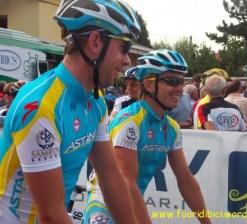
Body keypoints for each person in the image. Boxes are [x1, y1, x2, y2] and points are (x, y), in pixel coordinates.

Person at [0, 0, 141, 223]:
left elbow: (110, 175)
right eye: (124, 48)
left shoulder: (95, 100)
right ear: (95, 42)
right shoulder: (41, 107)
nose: (126, 61)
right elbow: (51, 215)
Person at [83, 49, 211, 224]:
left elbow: (185, 178)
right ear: (150, 85)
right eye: (173, 81)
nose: (180, 89)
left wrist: (206, 221)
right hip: (105, 202)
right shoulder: (130, 121)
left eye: (181, 82)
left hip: (133, 201)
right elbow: (127, 183)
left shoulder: (171, 127)